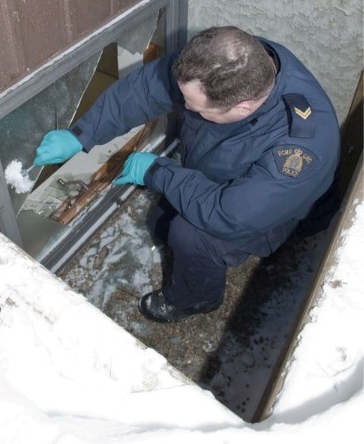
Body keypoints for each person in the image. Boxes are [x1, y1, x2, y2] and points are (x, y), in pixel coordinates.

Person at [34, 27, 341, 323]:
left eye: (195, 107)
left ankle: (195, 298)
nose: (185, 108)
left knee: (190, 234)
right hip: (227, 173)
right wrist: (82, 134)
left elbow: (231, 215)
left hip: (275, 210)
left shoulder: (300, 148)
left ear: (243, 107)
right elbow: (146, 89)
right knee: (164, 221)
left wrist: (156, 171)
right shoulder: (225, 63)